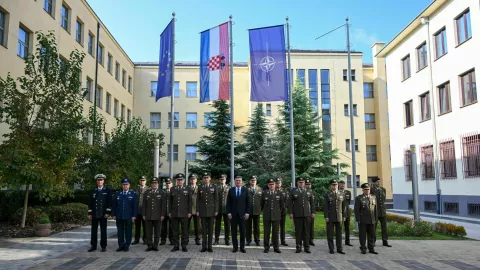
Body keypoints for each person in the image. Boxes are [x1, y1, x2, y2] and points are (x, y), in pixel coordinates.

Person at [288, 177, 315, 253]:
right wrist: (291, 212)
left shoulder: (309, 191)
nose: (301, 184)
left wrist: (313, 212)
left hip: (307, 214)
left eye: (302, 182)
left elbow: (312, 203)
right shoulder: (293, 191)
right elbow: (289, 203)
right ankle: (298, 246)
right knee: (298, 232)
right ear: (297, 183)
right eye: (300, 182)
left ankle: (307, 247)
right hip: (297, 214)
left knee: (306, 232)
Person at [87, 174, 112, 252]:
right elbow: (90, 203)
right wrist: (90, 214)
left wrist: (107, 212)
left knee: (103, 230)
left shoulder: (107, 190)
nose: (100, 181)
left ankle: (103, 246)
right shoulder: (93, 190)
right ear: (96, 181)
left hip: (103, 214)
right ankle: (93, 245)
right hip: (95, 214)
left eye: (101, 180)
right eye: (98, 180)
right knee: (93, 230)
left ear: (103, 181)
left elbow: (109, 203)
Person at [112, 178, 138, 252]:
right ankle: (121, 245)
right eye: (123, 184)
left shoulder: (133, 194)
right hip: (119, 216)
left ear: (129, 185)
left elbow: (135, 206)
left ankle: (127, 245)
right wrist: (113, 214)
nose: (125, 186)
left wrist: (134, 216)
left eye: (126, 184)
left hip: (128, 216)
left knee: (128, 231)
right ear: (122, 185)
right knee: (120, 232)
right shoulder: (117, 194)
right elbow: (114, 205)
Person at [227, 176, 250, 253]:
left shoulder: (245, 190)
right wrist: (229, 213)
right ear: (234, 181)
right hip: (233, 215)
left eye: (239, 180)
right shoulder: (231, 190)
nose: (238, 182)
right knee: (234, 232)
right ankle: (235, 247)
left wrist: (247, 213)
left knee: (242, 231)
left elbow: (248, 203)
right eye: (236, 180)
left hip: (243, 215)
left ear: (242, 181)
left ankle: (242, 247)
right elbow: (228, 203)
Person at [169, 173, 192, 252]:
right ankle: (176, 246)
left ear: (184, 181)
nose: (180, 181)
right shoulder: (172, 189)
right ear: (176, 181)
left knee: (184, 231)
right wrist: (169, 212)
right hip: (174, 213)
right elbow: (170, 202)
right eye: (178, 180)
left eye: (181, 180)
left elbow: (189, 202)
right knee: (175, 231)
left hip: (184, 213)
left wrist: (189, 212)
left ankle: (184, 246)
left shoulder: (188, 189)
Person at [142, 177, 166, 251]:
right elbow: (144, 205)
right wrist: (144, 214)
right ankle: (149, 245)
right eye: (153, 183)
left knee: (157, 232)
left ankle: (155, 245)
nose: (154, 184)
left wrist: (162, 215)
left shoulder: (162, 193)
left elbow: (163, 205)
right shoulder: (147, 193)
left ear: (158, 184)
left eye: (156, 183)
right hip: (148, 215)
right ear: (151, 184)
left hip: (158, 216)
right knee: (148, 232)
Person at [197, 172, 218, 252]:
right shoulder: (200, 187)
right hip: (202, 211)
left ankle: (210, 246)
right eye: (204, 177)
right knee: (204, 230)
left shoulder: (214, 187)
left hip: (211, 211)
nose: (206, 179)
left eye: (207, 177)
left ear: (210, 178)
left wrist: (216, 210)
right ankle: (204, 246)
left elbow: (216, 200)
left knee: (210, 230)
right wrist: (198, 210)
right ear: (203, 179)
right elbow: (198, 200)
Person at [354, 183, 378, 254]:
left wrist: (376, 218)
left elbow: (375, 209)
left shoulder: (373, 197)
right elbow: (356, 209)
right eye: (366, 189)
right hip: (363, 219)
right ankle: (363, 248)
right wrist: (358, 219)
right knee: (362, 235)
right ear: (363, 190)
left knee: (372, 234)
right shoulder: (359, 198)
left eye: (368, 189)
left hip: (371, 219)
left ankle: (371, 248)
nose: (367, 191)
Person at [324, 179, 346, 254]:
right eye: (333, 185)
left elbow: (344, 206)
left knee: (339, 234)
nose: (334, 186)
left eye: (336, 185)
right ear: (331, 186)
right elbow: (325, 206)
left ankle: (339, 248)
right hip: (330, 217)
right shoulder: (327, 194)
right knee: (330, 234)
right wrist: (326, 216)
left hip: (339, 216)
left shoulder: (341, 194)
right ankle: (331, 248)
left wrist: (344, 216)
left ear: (338, 185)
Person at [261, 178, 284, 254]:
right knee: (266, 232)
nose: (271, 186)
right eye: (270, 184)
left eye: (273, 184)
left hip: (276, 215)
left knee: (275, 232)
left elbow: (281, 205)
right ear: (268, 185)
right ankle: (266, 247)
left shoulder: (279, 193)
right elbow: (261, 204)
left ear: (275, 185)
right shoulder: (264, 193)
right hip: (267, 215)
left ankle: (276, 247)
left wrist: (277, 211)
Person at [371, 177, 391, 247]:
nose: (378, 183)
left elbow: (383, 200)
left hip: (382, 211)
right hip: (375, 211)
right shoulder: (371, 190)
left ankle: (385, 241)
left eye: (379, 181)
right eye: (377, 182)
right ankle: (373, 241)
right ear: (373, 183)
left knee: (384, 227)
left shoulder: (383, 189)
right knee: (373, 227)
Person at [246, 176, 262, 246]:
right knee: (248, 227)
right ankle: (248, 240)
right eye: (252, 180)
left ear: (256, 181)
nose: (253, 181)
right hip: (248, 211)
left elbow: (262, 200)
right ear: (249, 181)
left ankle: (257, 240)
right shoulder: (246, 189)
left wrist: (261, 209)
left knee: (257, 227)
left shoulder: (260, 189)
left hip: (257, 210)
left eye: (254, 180)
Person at [215, 174, 230, 245]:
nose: (222, 180)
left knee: (227, 225)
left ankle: (227, 240)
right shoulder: (216, 188)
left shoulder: (229, 188)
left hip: (227, 209)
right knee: (217, 225)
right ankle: (216, 240)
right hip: (218, 210)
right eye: (221, 179)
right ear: (219, 180)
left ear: (225, 180)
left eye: (223, 179)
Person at [133, 176, 149, 245]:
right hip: (137, 211)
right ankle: (136, 239)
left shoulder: (148, 189)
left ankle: (145, 239)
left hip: (145, 211)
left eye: (143, 180)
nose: (142, 182)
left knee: (145, 226)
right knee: (137, 226)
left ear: (146, 181)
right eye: (141, 180)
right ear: (139, 181)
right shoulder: (136, 189)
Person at [188, 173, 201, 245]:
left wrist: (199, 210)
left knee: (197, 226)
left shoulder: (199, 188)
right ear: (190, 180)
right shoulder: (187, 188)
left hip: (197, 210)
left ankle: (197, 239)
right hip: (188, 210)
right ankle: (186, 239)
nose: (193, 180)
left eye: (194, 179)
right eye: (191, 179)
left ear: (196, 180)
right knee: (186, 226)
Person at [339, 180, 353, 246]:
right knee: (339, 227)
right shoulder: (337, 192)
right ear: (339, 185)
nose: (342, 185)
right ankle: (339, 242)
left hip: (347, 212)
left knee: (347, 227)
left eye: (343, 184)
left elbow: (348, 202)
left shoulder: (348, 192)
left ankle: (347, 241)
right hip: (340, 212)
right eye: (341, 184)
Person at [275, 178, 289, 246]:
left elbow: (287, 201)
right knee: (275, 227)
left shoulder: (285, 191)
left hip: (283, 211)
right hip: (275, 212)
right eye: (277, 183)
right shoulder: (273, 190)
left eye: (279, 183)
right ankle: (274, 241)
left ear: (281, 184)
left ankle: (283, 241)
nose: (278, 184)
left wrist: (282, 208)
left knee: (282, 227)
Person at [161, 178, 173, 245]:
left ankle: (172, 240)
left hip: (171, 212)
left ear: (172, 184)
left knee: (172, 227)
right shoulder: (163, 192)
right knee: (163, 227)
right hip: (164, 212)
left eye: (169, 183)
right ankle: (163, 240)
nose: (168, 184)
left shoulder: (174, 191)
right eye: (167, 183)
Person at [305, 179, 317, 246]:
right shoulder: (303, 192)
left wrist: (313, 212)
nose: (308, 186)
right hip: (305, 212)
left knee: (311, 227)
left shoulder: (313, 193)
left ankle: (311, 240)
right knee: (305, 227)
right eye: (307, 184)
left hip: (311, 212)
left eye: (309, 184)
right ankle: (305, 240)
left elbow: (313, 203)